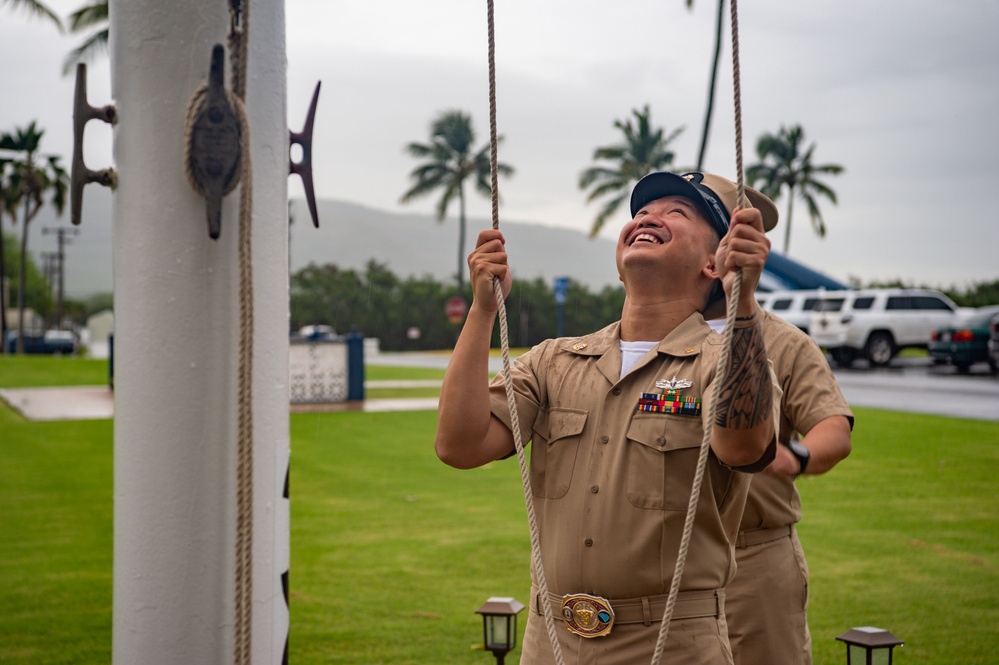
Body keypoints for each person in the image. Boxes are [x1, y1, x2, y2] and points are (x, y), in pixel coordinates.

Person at [436, 171, 780, 664]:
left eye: (676, 213)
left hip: (671, 644)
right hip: (551, 641)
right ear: (619, 266)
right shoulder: (553, 360)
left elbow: (744, 448)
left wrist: (741, 297)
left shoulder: (722, 360)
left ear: (714, 262)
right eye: (641, 212)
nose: (648, 219)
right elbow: (458, 445)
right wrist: (483, 310)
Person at [704, 286, 853, 664]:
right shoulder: (657, 337)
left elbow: (833, 428)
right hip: (669, 559)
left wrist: (796, 456)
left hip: (753, 559)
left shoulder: (784, 342)